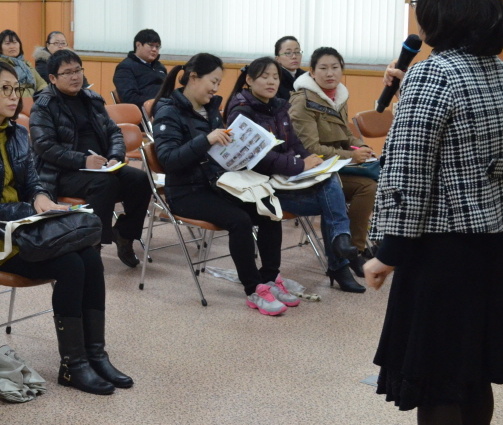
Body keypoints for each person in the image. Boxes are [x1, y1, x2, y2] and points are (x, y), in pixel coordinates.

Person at [362, 0, 503, 425]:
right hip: (494, 248)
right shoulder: (500, 72)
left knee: (436, 381)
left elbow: (409, 176)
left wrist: (386, 253)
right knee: (475, 371)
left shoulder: (434, 73)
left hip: (443, 256)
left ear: (442, 7)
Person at [0, 59, 131, 395]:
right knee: (71, 265)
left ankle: (95, 355)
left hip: (23, 227)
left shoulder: (17, 132)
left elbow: (32, 182)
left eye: (16, 89)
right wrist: (29, 208)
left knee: (88, 255)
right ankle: (73, 365)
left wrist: (42, 197)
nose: (15, 96)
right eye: (5, 89)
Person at [151, 53, 290, 316]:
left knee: (269, 209)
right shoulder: (168, 111)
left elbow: (219, 154)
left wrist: (247, 150)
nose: (216, 89)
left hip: (216, 184)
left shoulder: (211, 108)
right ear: (193, 78)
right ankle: (253, 289)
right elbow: (169, 160)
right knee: (239, 220)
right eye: (213, 81)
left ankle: (270, 278)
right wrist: (207, 140)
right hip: (185, 191)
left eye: (219, 82)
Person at [223, 57, 364, 292]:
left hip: (287, 179)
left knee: (329, 179)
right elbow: (258, 159)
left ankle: (340, 250)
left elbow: (296, 143)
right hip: (263, 187)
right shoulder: (241, 112)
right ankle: (339, 260)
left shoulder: (279, 106)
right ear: (249, 80)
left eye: (276, 77)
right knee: (331, 201)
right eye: (265, 77)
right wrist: (299, 165)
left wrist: (311, 161)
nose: (272, 82)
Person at [29, 49, 148, 267]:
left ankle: (124, 234)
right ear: (53, 78)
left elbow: (114, 132)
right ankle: (93, 246)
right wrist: (82, 161)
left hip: (100, 168)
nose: (75, 77)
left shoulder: (92, 100)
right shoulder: (44, 106)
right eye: (67, 73)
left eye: (78, 70)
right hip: (60, 172)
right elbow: (44, 147)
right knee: (104, 183)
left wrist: (114, 156)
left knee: (140, 180)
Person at [288, 47, 378, 259]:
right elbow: (311, 150)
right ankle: (356, 249)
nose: (330, 73)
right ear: (312, 72)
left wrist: (360, 147)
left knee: (382, 178)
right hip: (314, 172)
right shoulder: (303, 101)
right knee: (368, 187)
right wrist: (351, 156)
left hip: (337, 167)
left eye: (335, 68)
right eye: (323, 68)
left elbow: (346, 134)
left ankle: (366, 243)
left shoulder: (339, 96)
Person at [112, 28, 166, 108]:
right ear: (138, 45)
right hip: (147, 111)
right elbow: (129, 98)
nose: (154, 50)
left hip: (165, 108)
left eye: (157, 47)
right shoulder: (125, 67)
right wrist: (156, 103)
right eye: (151, 45)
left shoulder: (160, 67)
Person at [0, 30, 46, 96]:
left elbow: (42, 84)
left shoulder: (26, 65)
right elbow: (5, 91)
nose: (12, 46)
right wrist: (32, 95)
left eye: (14, 42)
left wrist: (42, 96)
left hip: (33, 102)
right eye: (7, 43)